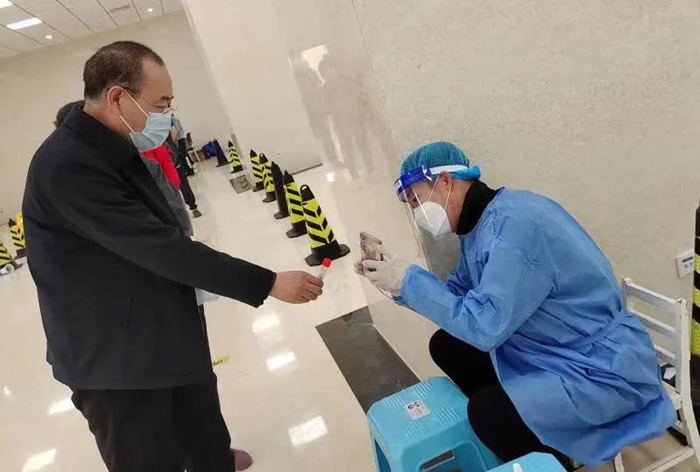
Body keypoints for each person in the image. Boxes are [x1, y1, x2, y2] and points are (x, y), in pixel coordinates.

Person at [24, 41, 324, 472]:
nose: (166, 115)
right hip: (115, 357)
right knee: (147, 455)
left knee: (201, 423)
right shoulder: (67, 166)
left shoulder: (111, 143)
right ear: (117, 97)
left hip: (158, 323)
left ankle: (212, 461)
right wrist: (267, 281)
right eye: (160, 104)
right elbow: (159, 246)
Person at [356, 141, 675, 468]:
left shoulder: (514, 229)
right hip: (554, 345)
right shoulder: (482, 225)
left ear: (446, 181)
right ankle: (527, 435)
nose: (417, 213)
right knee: (447, 346)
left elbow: (484, 326)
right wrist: (400, 280)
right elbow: (457, 293)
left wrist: (408, 281)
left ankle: (546, 458)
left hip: (598, 366)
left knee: (487, 413)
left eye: (417, 200)